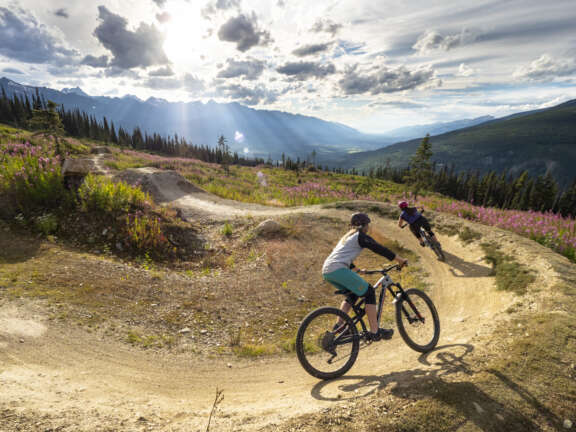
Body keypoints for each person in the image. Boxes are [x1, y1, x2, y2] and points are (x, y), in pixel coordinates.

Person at [322, 213, 408, 341]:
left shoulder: (346, 237)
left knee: (352, 295)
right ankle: (375, 331)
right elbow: (379, 249)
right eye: (367, 224)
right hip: (338, 269)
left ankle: (339, 328)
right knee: (369, 292)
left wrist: (356, 270)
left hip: (328, 271)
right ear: (363, 225)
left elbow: (341, 256)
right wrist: (399, 260)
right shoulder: (360, 236)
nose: (368, 227)